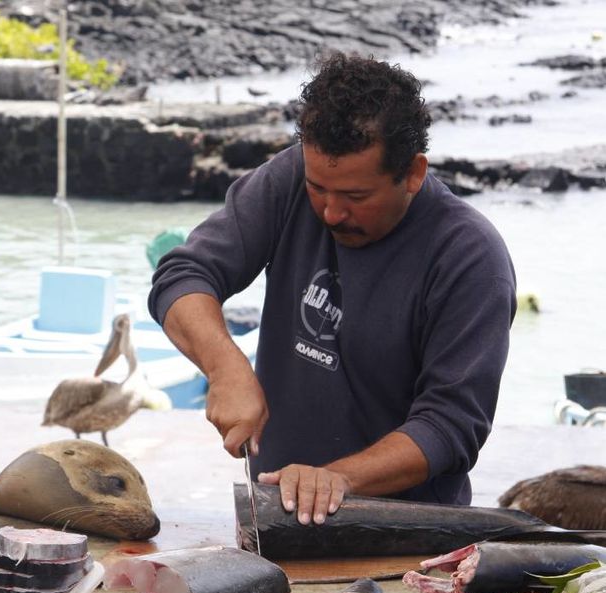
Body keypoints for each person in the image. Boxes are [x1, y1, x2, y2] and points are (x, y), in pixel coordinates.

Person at [148, 52, 516, 526]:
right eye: (319, 189)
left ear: (413, 173)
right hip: (274, 517)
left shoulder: (472, 259)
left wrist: (338, 478)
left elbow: (450, 425)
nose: (331, 212)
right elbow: (183, 274)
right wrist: (224, 367)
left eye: (356, 197)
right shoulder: (290, 180)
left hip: (403, 535)